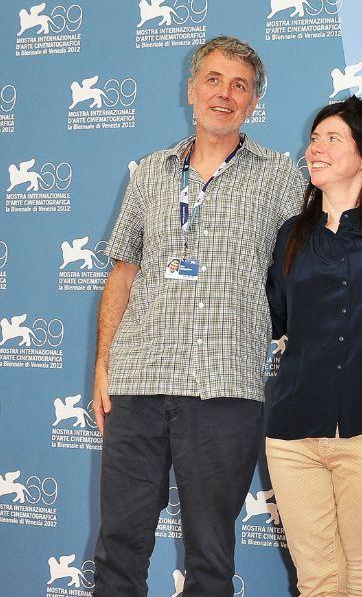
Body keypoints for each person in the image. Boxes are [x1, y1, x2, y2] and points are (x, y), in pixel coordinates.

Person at [91, 36, 303, 596]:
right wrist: (103, 368)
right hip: (137, 385)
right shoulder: (149, 173)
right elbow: (123, 272)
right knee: (118, 549)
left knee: (211, 557)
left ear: (254, 101)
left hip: (225, 390)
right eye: (213, 79)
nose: (225, 94)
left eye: (240, 85)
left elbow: (308, 267)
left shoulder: (281, 177)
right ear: (191, 89)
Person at [263, 96, 362, 596]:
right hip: (293, 435)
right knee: (317, 581)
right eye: (314, 138)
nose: (316, 148)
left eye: (333, 138)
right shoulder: (292, 234)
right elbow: (279, 318)